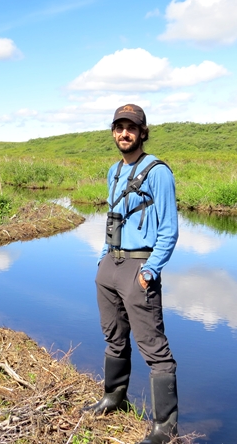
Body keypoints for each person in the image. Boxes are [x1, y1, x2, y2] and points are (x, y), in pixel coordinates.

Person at [88, 104, 179, 444]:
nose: (123, 133)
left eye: (131, 127)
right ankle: (114, 398)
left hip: (140, 268)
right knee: (113, 337)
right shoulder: (114, 170)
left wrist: (151, 270)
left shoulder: (158, 172)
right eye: (118, 127)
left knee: (154, 349)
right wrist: (102, 260)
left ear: (142, 132)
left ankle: (165, 428)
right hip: (111, 266)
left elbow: (169, 228)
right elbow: (112, 220)